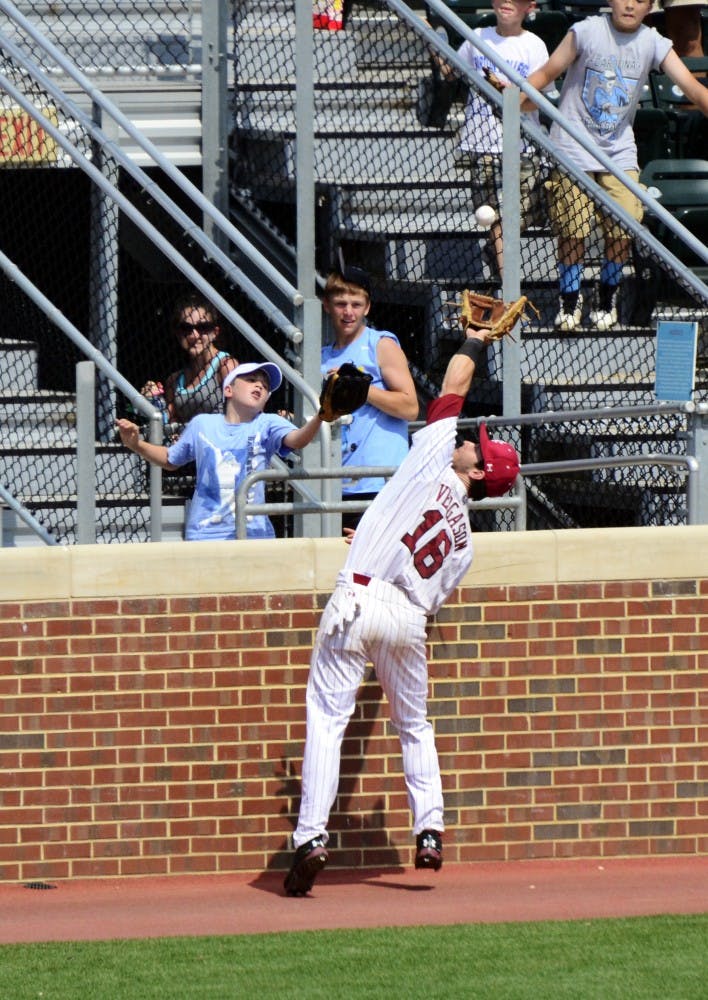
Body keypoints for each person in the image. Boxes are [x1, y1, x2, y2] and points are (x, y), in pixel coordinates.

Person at [284, 327, 521, 897]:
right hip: (408, 620)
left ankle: (311, 837)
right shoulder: (466, 544)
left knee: (326, 718)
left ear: (479, 472)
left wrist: (474, 341)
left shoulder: (434, 459)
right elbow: (419, 572)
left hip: (359, 598)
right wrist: (371, 536)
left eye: (477, 448)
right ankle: (430, 829)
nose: (467, 440)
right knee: (414, 724)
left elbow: (454, 386)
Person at [523, 0, 708, 332]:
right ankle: (569, 299)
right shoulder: (586, 31)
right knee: (573, 229)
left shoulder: (653, 41)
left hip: (618, 152)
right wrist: (514, 96)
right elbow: (548, 72)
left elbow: (692, 86)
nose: (630, 5)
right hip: (571, 148)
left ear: (650, 6)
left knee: (623, 227)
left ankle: (607, 294)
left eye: (640, 0)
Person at [117, 361, 324, 541]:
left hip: (254, 534)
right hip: (205, 533)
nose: (260, 385)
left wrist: (321, 416)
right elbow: (171, 459)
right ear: (228, 390)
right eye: (251, 379)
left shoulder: (267, 423)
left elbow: (298, 440)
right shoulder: (202, 424)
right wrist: (136, 444)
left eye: (266, 385)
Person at [452, 0, 551, 277]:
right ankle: (509, 279)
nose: (507, 2)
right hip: (483, 142)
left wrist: (512, 98)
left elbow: (539, 100)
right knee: (495, 214)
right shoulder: (477, 38)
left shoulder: (534, 45)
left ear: (529, 7)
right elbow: (451, 70)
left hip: (522, 144)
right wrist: (432, 35)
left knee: (518, 215)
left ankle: (497, 258)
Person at [321, 267, 419, 530]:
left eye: (356, 304)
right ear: (326, 305)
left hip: (381, 484)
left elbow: (411, 407)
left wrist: (362, 390)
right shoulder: (320, 357)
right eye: (341, 304)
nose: (348, 312)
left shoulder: (381, 344)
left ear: (367, 308)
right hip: (335, 483)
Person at [156, 292, 237, 431]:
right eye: (186, 328)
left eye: (203, 328)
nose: (194, 335)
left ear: (215, 333)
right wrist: (153, 400)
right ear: (178, 334)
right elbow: (169, 422)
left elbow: (240, 416)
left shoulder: (226, 366)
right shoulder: (174, 381)